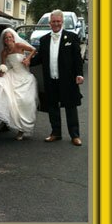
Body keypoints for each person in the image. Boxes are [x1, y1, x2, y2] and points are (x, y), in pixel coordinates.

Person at [30, 9, 84, 146]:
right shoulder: (44, 39)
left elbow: (77, 58)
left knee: (70, 107)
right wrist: (26, 61)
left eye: (58, 21)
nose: (56, 24)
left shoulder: (71, 37)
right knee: (52, 107)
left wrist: (79, 74)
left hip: (68, 79)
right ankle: (56, 133)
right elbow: (40, 58)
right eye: (53, 21)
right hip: (51, 78)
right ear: (49, 23)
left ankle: (75, 135)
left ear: (62, 22)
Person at [0, 28, 38, 141]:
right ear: (4, 40)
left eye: (10, 37)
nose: (8, 39)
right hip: (13, 75)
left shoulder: (19, 45)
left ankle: (25, 127)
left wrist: (28, 58)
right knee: (13, 101)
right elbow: (4, 65)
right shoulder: (4, 52)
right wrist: (2, 71)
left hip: (25, 76)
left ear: (13, 38)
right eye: (6, 38)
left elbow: (34, 49)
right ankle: (19, 129)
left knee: (27, 101)